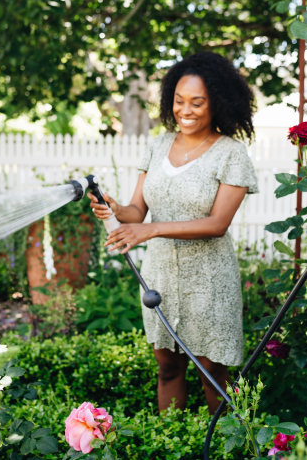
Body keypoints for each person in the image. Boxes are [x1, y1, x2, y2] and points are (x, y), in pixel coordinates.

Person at [88, 51, 258, 414]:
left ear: (218, 104)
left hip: (210, 278)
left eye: (197, 102)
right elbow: (137, 211)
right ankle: (171, 442)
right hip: (160, 275)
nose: (186, 110)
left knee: (213, 370)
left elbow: (217, 224)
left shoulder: (231, 154)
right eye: (179, 101)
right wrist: (116, 210)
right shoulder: (159, 145)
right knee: (167, 367)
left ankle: (228, 447)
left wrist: (148, 230)